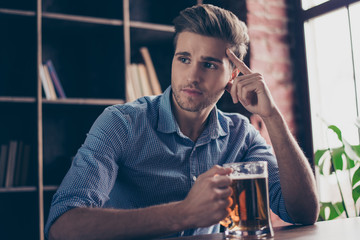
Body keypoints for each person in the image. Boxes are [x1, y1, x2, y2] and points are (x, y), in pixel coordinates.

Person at [45, 4, 319, 240]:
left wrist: (272, 117)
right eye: (184, 59)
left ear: (233, 74)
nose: (192, 76)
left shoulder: (241, 135)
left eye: (209, 64)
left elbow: (303, 213)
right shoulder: (122, 123)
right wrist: (184, 213)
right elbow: (62, 226)